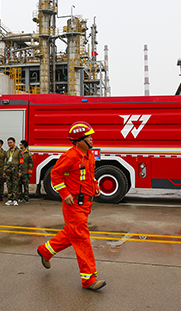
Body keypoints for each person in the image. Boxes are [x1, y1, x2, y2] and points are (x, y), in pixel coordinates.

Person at [36, 121, 106, 291]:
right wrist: (64, 193)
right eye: (88, 136)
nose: (92, 139)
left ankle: (45, 251)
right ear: (80, 140)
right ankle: (89, 279)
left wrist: (95, 186)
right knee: (82, 239)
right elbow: (55, 174)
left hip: (85, 203)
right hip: (73, 204)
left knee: (73, 234)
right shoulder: (70, 156)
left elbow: (90, 176)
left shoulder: (89, 155)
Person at [3, 137, 21, 206]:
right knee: (9, 185)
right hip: (8, 170)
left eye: (10, 142)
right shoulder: (7, 152)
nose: (9, 144)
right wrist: (4, 171)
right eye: (8, 143)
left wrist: (20, 171)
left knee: (15, 185)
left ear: (14, 143)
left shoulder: (19, 151)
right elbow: (5, 162)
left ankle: (15, 199)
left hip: (15, 170)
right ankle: (10, 199)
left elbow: (21, 162)